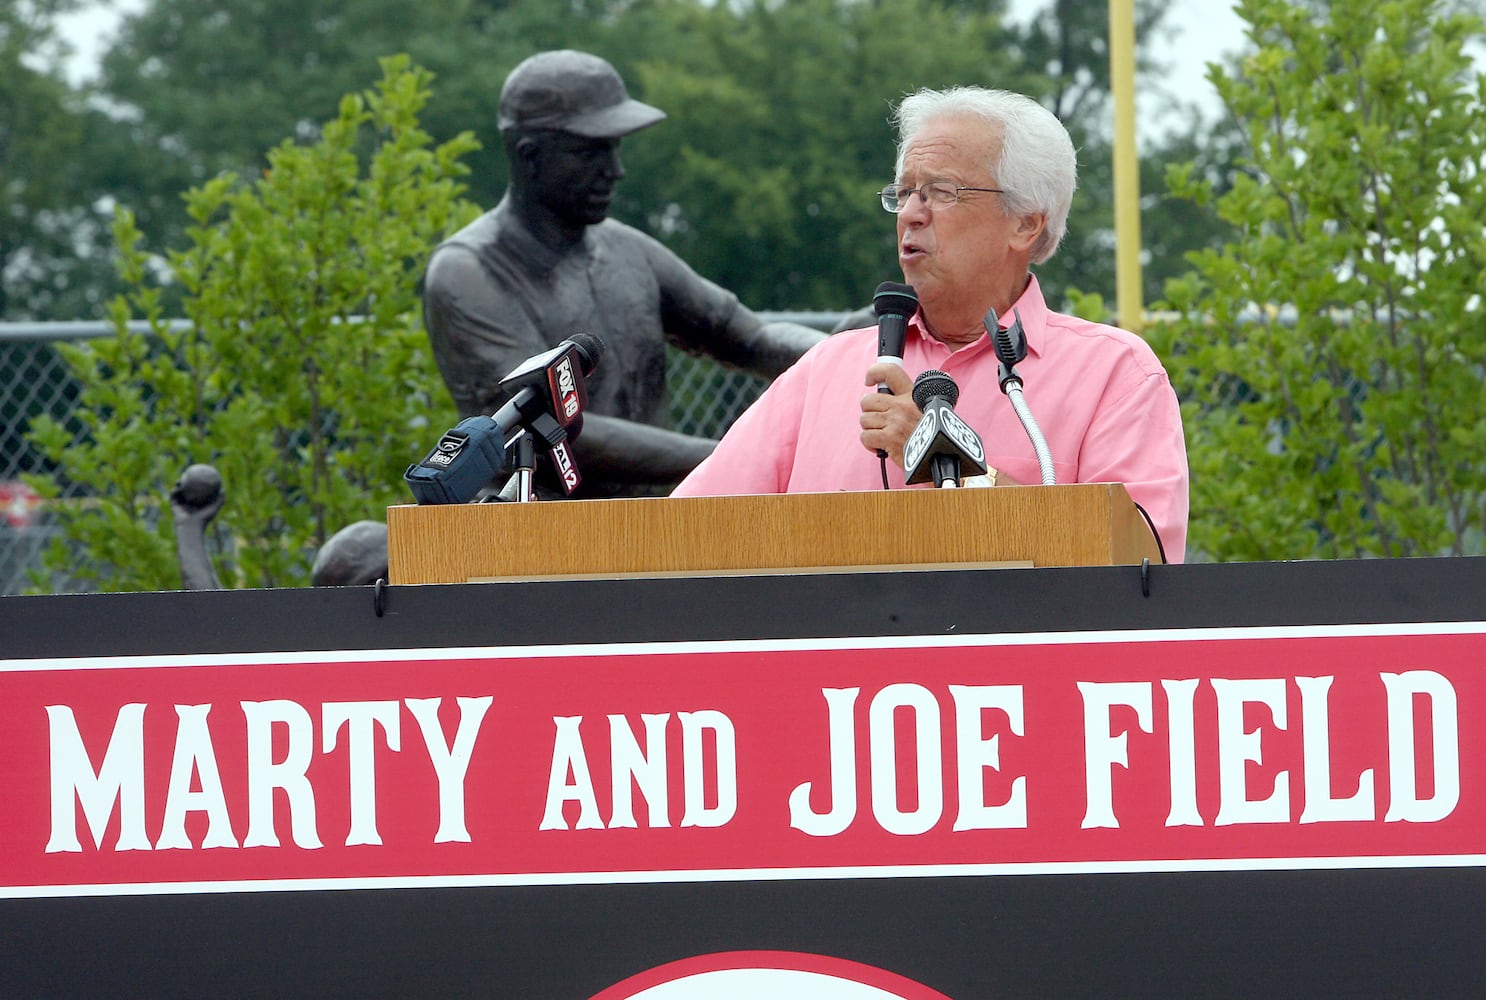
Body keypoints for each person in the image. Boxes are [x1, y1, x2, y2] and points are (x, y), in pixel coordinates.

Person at [673, 86, 1190, 562]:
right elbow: (684, 533)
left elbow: (1136, 565)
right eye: (904, 193)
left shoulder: (1116, 375)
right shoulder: (826, 370)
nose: (911, 215)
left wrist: (941, 456)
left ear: (1026, 223)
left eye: (941, 192)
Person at [422, 49, 826, 499]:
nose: (616, 171)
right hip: (545, 535)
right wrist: (735, 458)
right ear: (530, 155)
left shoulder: (627, 250)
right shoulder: (467, 273)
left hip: (663, 518)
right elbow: (554, 425)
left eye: (615, 148)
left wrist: (842, 355)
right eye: (592, 152)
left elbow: (750, 338)